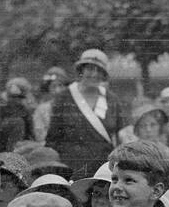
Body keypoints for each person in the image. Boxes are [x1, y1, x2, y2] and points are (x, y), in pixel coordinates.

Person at [46, 49, 117, 179]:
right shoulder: (63, 98)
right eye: (90, 69)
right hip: (72, 169)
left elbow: (121, 134)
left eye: (99, 70)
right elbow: (52, 139)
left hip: (103, 170)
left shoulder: (111, 99)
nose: (94, 74)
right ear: (81, 70)